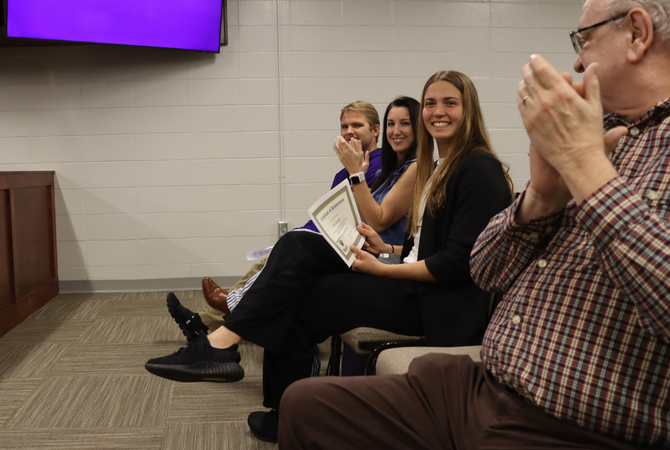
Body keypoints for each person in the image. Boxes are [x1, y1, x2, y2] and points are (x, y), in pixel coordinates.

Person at [277, 0, 670, 448]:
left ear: (637, 33)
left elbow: (454, 266)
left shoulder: (505, 162)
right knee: (305, 404)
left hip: (569, 411)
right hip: (486, 381)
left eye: (585, 39)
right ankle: (231, 327)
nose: (578, 61)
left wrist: (584, 168)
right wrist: (539, 199)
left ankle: (228, 331)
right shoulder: (605, 137)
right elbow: (487, 269)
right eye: (428, 104)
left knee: (309, 277)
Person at [146, 70, 513, 443]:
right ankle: (272, 398)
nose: (438, 111)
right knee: (297, 262)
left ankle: (229, 352)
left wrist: (384, 270)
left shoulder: (478, 167)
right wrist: (386, 249)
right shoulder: (443, 168)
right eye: (431, 103)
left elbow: (459, 263)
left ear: (470, 110)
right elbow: (430, 247)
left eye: (450, 102)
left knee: (301, 272)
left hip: (434, 305)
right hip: (409, 280)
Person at [169, 98, 418, 341]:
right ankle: (208, 320)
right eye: (345, 127)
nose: (350, 132)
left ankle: (231, 306)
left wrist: (355, 174)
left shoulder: (379, 165)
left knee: (286, 255)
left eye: (357, 126)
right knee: (281, 254)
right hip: (342, 240)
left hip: (359, 249)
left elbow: (370, 217)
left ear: (374, 131)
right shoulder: (376, 166)